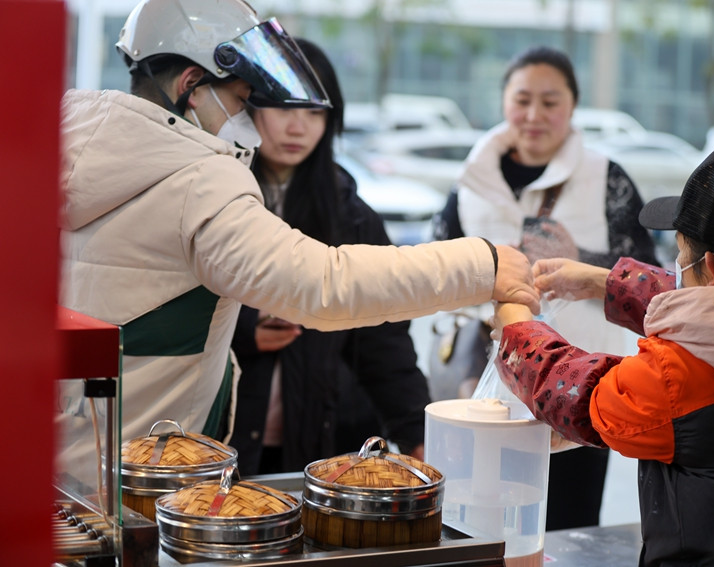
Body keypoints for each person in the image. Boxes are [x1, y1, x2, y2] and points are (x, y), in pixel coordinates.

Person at [56, 0, 538, 476]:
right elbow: (322, 285)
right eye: (243, 101)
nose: (249, 121)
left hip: (60, 451)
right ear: (191, 86)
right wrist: (483, 265)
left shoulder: (69, 142)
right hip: (134, 477)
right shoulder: (199, 178)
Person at [491, 149, 714, 565]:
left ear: (711, 267)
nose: (677, 268)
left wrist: (514, 323)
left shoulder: (674, 377)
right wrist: (603, 281)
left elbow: (575, 393)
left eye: (681, 258)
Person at [433, 45, 659, 530]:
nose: (534, 115)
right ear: (503, 103)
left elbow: (650, 274)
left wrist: (585, 260)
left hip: (579, 387)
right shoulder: (473, 180)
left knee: (568, 523)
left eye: (550, 101)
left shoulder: (605, 177)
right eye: (522, 99)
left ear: (573, 107)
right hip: (487, 384)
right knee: (482, 522)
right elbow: (436, 265)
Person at [228, 38, 430, 475]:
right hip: (222, 442)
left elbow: (384, 341)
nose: (298, 127)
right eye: (283, 108)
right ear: (249, 107)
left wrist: (418, 434)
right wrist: (243, 328)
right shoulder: (217, 202)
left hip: (324, 447)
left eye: (315, 112)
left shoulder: (354, 219)